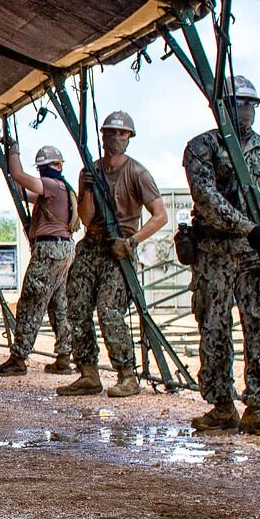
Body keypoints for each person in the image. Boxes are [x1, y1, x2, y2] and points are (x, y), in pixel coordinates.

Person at [182, 76, 260, 436]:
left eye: (250, 105)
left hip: (253, 254)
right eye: (237, 104)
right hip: (214, 250)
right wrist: (248, 226)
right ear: (223, 107)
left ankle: (259, 405)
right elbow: (206, 199)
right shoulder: (203, 147)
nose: (244, 111)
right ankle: (221, 405)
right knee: (214, 327)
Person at [58, 111, 168, 398]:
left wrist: (131, 242)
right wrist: (90, 191)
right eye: (111, 133)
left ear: (129, 138)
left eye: (123, 134)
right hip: (92, 246)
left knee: (109, 311)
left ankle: (127, 374)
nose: (117, 138)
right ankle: (88, 373)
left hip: (118, 250)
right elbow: (84, 216)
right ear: (103, 136)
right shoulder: (89, 173)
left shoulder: (137, 173)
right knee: (77, 306)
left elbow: (160, 216)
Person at [0, 142, 77, 376]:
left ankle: (18, 358)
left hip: (48, 250)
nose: (42, 172)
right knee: (58, 304)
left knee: (30, 302)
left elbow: (18, 175)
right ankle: (64, 356)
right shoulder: (61, 188)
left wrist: (13, 152)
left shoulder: (50, 185)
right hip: (63, 249)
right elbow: (21, 189)